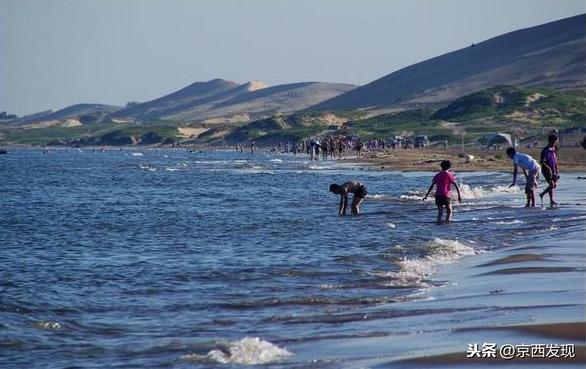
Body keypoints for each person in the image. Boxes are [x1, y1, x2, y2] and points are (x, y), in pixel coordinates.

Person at [423, 160, 462, 224]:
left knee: (440, 212)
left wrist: (426, 196)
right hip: (446, 195)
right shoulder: (449, 175)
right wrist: (459, 196)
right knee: (449, 211)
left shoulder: (437, 175)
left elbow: (431, 186)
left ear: (441, 166)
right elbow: (456, 186)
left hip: (438, 196)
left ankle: (438, 223)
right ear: (449, 167)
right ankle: (447, 223)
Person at [539, 134, 560, 206]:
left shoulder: (554, 149)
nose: (555, 143)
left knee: (554, 185)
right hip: (546, 170)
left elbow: (555, 160)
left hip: (553, 169)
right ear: (550, 141)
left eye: (555, 142)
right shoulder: (545, 150)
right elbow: (542, 161)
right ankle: (543, 195)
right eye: (554, 142)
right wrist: (549, 169)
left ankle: (550, 199)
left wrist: (557, 170)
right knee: (551, 184)